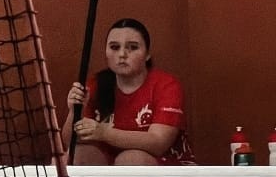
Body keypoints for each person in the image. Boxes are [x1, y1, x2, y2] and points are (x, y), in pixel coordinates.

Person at [66, 18, 194, 165]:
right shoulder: (95, 84)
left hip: (166, 166)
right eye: (114, 47)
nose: (122, 54)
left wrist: (104, 133)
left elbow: (159, 143)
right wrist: (74, 112)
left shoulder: (166, 85)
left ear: (147, 54)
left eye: (132, 47)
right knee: (70, 157)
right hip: (110, 163)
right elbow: (69, 141)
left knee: (131, 159)